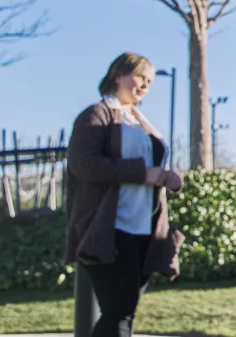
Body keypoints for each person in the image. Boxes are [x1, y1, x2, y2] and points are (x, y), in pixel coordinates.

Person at [65, 52, 184, 337]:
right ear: (119, 75)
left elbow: (152, 166)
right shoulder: (98, 115)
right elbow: (83, 163)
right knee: (118, 309)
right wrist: (142, 174)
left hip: (145, 229)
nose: (145, 84)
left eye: (150, 80)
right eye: (140, 76)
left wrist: (167, 177)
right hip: (108, 228)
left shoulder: (140, 121)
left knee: (124, 312)